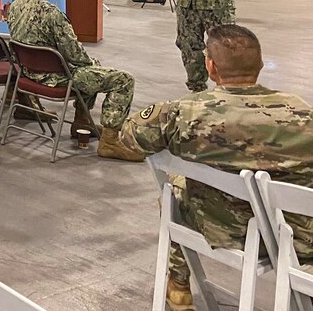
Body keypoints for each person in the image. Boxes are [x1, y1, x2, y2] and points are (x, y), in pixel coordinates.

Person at [122, 24, 313, 311]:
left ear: (211, 67)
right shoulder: (302, 113)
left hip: (220, 226)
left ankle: (178, 285)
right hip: (296, 238)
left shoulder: (187, 113)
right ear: (260, 65)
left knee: (174, 188)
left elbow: (131, 135)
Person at [6, 0, 143, 162]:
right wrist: (91, 63)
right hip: (56, 78)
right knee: (123, 80)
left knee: (92, 67)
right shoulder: (52, 13)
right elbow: (75, 55)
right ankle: (110, 141)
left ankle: (82, 122)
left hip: (27, 73)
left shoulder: (14, 7)